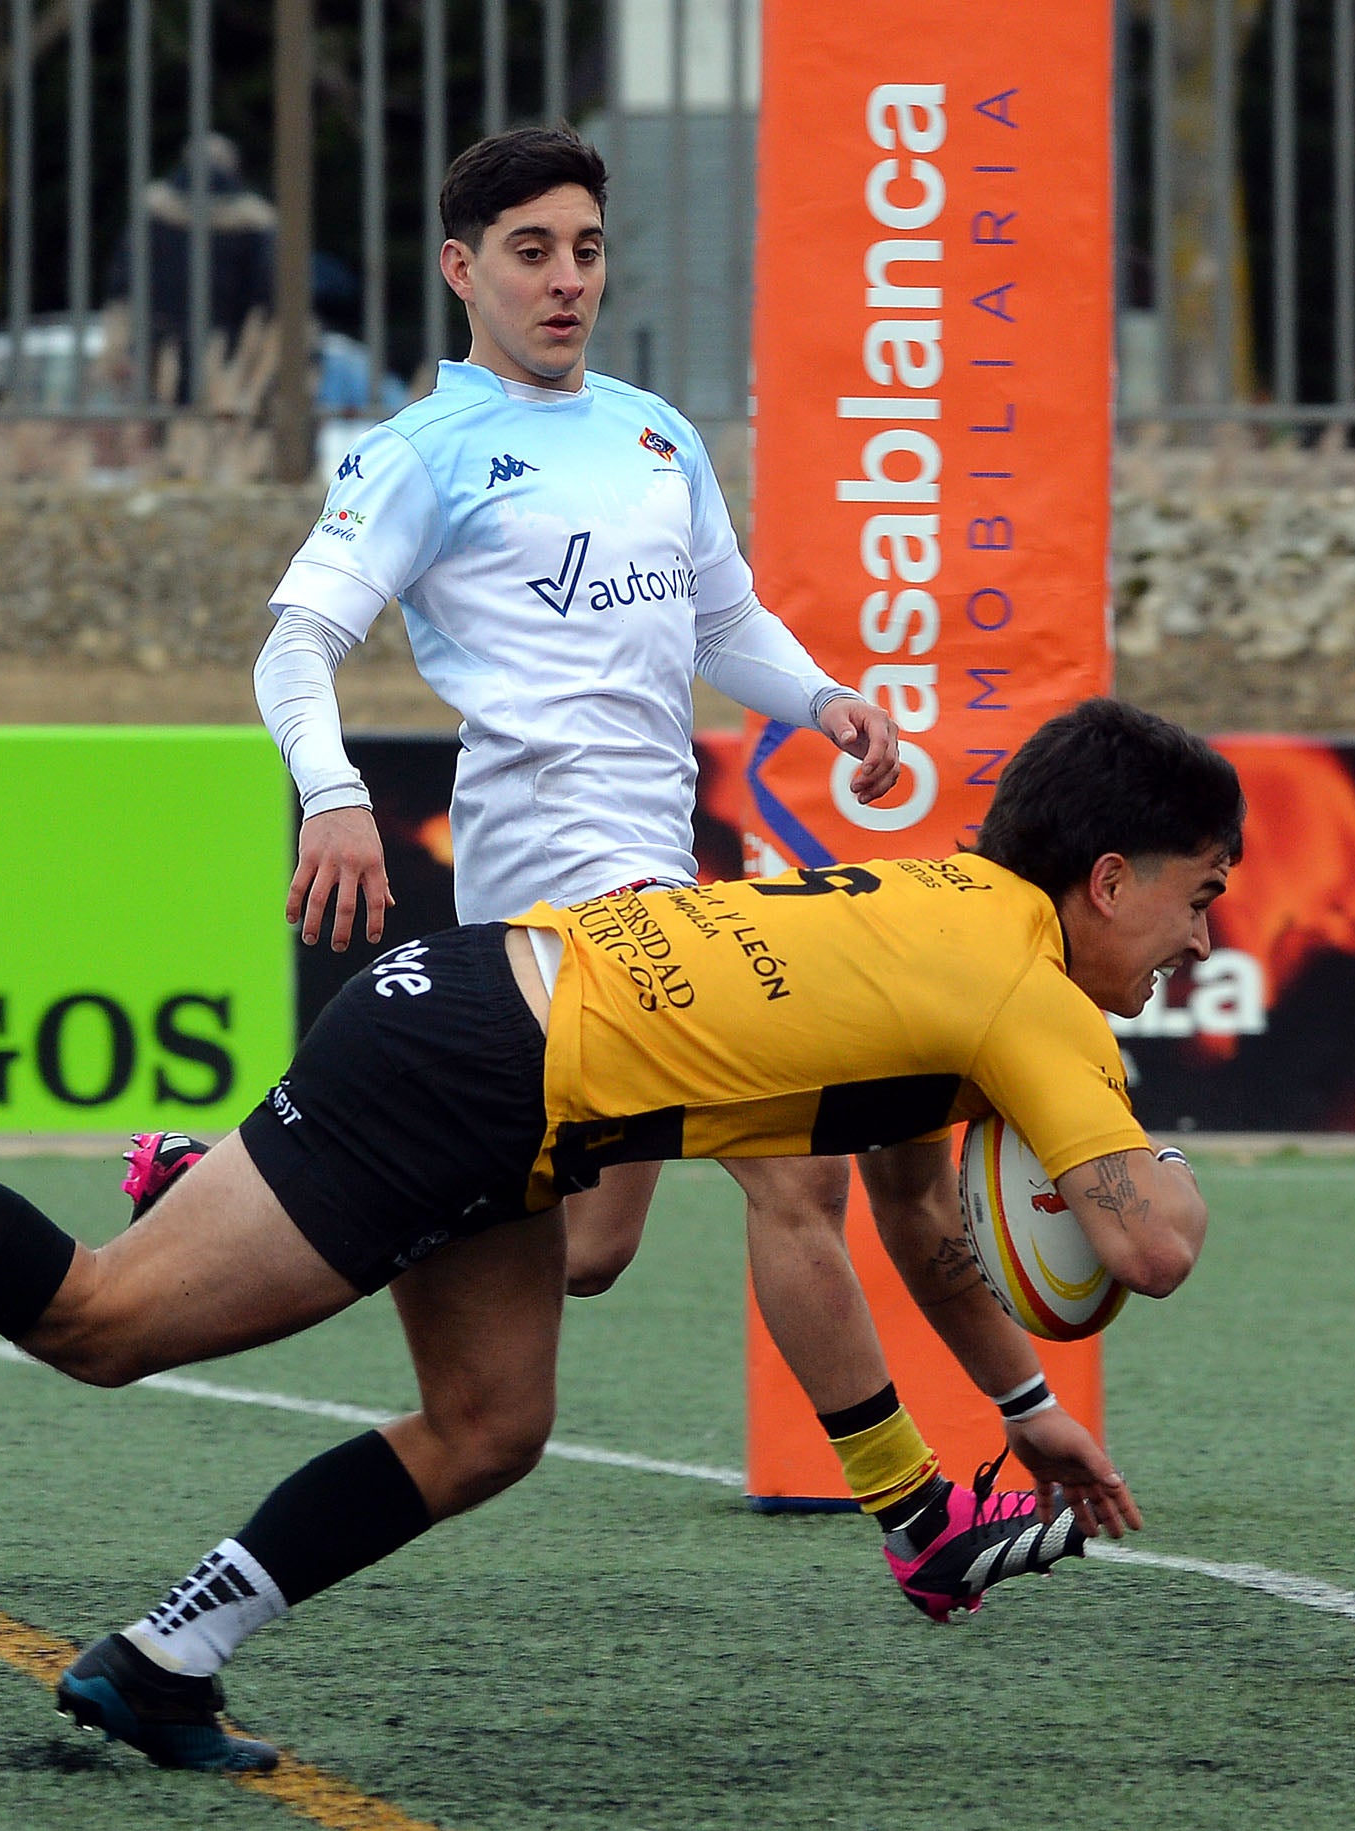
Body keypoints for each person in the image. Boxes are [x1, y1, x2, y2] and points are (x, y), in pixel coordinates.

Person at [0, 699, 1243, 1773]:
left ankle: (159, 1662)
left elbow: (922, 1229)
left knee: (492, 1428)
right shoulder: (1032, 1002)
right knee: (102, 1325)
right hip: (470, 1072)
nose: (1198, 934)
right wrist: (1108, 1144)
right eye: (1196, 894)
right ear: (1105, 877)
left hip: (503, 1053)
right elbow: (1153, 1252)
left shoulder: (948, 909)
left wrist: (1014, 1423)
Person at [228, 123, 1129, 1622]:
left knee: (582, 1247)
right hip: (557, 870)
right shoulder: (421, 454)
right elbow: (296, 641)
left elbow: (725, 624)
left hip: (659, 851)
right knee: (799, 1170)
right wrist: (329, 793)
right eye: (530, 251)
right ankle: (916, 1516)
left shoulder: (653, 432)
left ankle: (244, 1170)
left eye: (584, 247)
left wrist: (824, 698)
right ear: (462, 271)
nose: (565, 278)